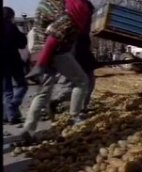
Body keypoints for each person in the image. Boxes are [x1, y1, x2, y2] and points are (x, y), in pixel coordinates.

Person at [19, 0, 93, 141]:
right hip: (54, 53)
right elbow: (53, 38)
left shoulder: (50, 4)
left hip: (39, 51)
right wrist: (41, 64)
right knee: (82, 81)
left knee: (43, 92)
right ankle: (75, 116)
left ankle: (28, 130)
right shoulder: (69, 16)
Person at [49, 1, 96, 116]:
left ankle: (75, 106)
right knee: (85, 80)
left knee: (81, 80)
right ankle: (77, 109)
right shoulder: (81, 10)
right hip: (79, 46)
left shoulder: (76, 8)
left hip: (79, 45)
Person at [2, 7, 28, 124]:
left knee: (7, 90)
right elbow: (22, 44)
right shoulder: (10, 27)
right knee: (22, 85)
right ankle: (12, 107)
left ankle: (10, 116)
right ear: (11, 16)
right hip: (12, 61)